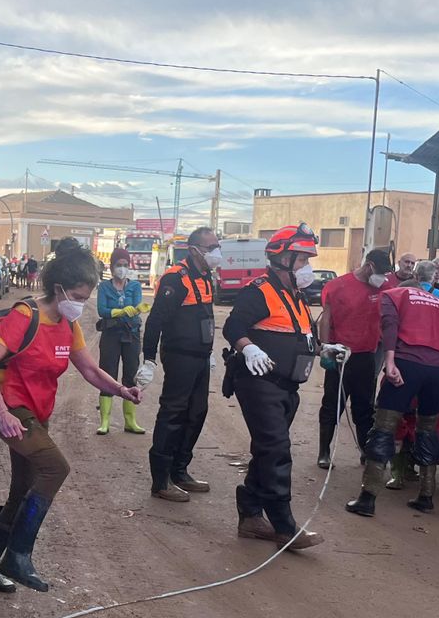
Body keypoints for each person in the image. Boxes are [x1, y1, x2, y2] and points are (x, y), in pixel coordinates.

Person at [0, 239, 142, 593]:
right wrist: (2, 413)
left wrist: (121, 390)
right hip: (10, 409)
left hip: (36, 414)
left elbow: (91, 371)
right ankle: (17, 555)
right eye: (78, 297)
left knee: (22, 490)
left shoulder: (69, 324)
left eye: (85, 298)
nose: (81, 305)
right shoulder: (25, 316)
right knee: (56, 467)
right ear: (59, 288)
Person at [347, 260, 439, 517]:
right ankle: (426, 495)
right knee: (427, 430)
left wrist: (389, 361)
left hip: (407, 364)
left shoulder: (393, 295)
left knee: (383, 429)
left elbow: (390, 326)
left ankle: (367, 499)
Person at [222, 225, 323, 550]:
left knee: (267, 450)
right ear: (283, 259)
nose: (306, 267)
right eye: (302, 259)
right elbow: (233, 325)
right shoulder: (259, 290)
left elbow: (303, 335)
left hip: (287, 386)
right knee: (276, 449)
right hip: (259, 383)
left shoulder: (296, 295)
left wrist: (325, 349)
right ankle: (284, 525)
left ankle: (250, 514)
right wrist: (248, 347)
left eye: (308, 259)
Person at [141, 226, 221, 500]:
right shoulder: (176, 278)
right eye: (211, 247)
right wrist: (149, 358)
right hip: (179, 357)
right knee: (173, 414)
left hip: (200, 357)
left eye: (216, 245)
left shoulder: (207, 276)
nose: (216, 252)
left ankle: (180, 470)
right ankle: (161, 481)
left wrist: (209, 351)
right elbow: (156, 320)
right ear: (195, 249)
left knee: (196, 412)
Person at [315, 247, 393, 469]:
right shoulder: (338, 286)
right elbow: (326, 318)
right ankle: (324, 451)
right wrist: (324, 347)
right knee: (332, 405)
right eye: (380, 273)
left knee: (365, 407)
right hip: (340, 354)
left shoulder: (385, 287)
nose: (383, 278)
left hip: (366, 355)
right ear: (369, 266)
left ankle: (365, 451)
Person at [95, 249, 148, 436]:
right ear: (112, 266)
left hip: (131, 335)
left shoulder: (135, 286)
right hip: (111, 334)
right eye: (119, 265)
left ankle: (130, 420)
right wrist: (120, 312)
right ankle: (104, 421)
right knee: (107, 374)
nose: (122, 268)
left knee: (131, 375)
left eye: (125, 265)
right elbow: (102, 309)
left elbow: (138, 306)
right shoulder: (104, 287)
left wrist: (131, 310)